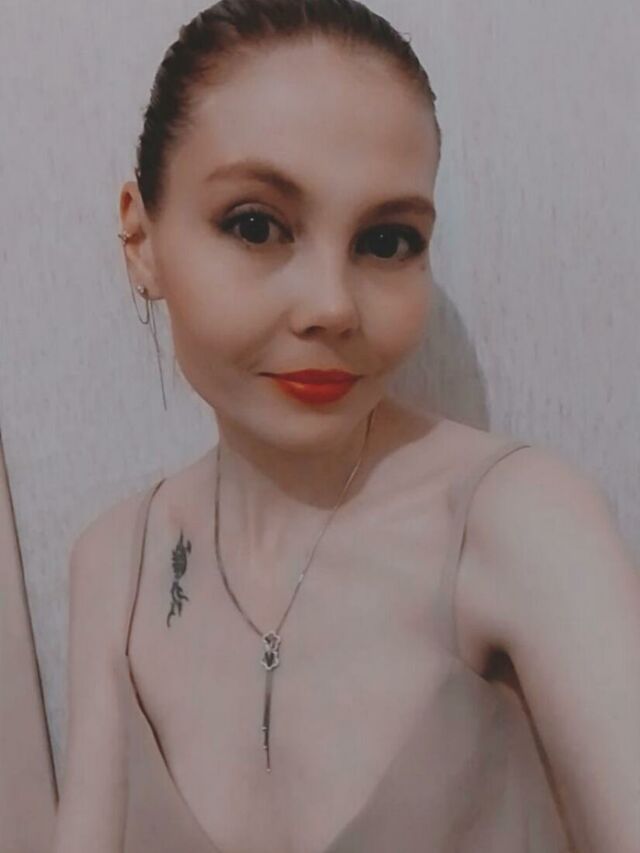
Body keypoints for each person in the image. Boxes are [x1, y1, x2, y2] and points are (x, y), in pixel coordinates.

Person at [52, 1, 640, 851]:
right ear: (141, 238)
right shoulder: (116, 565)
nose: (332, 305)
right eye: (256, 225)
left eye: (387, 240)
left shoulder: (522, 521)